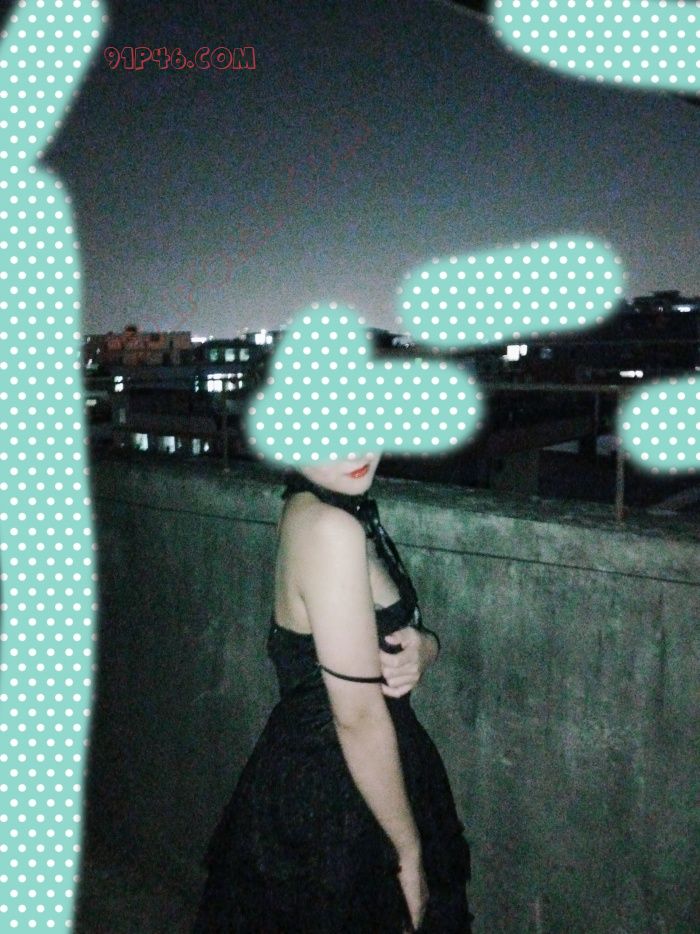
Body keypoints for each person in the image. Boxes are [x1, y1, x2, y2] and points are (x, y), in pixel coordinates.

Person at [192, 455, 472, 932]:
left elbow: (378, 633)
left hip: (343, 775)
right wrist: (407, 854)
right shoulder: (330, 529)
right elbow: (357, 717)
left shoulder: (316, 505)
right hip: (341, 797)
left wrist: (426, 647)